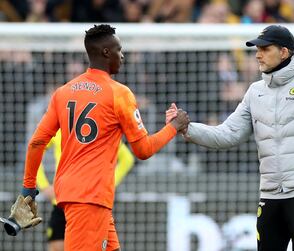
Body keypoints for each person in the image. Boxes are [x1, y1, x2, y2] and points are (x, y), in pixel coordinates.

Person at [167, 25, 294, 251]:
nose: (257, 54)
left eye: (264, 48)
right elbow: (228, 134)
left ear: (284, 52)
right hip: (270, 195)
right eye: (257, 49)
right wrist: (187, 128)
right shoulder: (255, 91)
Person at [18, 24, 189, 251]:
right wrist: (174, 127)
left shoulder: (63, 92)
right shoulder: (119, 93)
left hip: (75, 196)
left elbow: (37, 142)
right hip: (90, 199)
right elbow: (143, 150)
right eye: (120, 49)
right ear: (106, 52)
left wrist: (28, 188)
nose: (123, 55)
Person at [36, 129, 135, 251]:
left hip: (83, 202)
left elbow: (127, 159)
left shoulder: (96, 129)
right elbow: (36, 148)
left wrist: (104, 184)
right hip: (68, 202)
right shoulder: (68, 127)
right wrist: (44, 186)